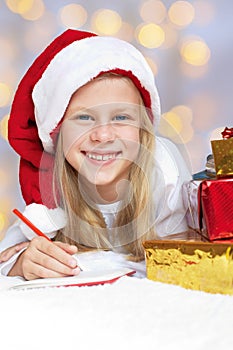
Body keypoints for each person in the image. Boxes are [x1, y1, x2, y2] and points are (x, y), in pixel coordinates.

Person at [0, 29, 192, 280]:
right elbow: (6, 258)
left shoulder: (164, 178)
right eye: (84, 118)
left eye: (121, 117)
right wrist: (23, 262)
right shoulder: (49, 192)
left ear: (142, 127)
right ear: (57, 132)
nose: (102, 136)